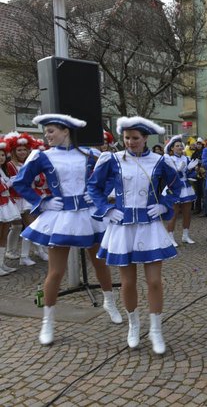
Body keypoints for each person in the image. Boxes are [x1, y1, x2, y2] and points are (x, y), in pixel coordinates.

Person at [13, 114, 123, 346]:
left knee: (100, 263)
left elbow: (115, 175)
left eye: (51, 130)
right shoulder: (42, 156)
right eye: (46, 131)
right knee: (56, 271)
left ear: (66, 131)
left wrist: (98, 194)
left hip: (89, 214)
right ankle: (48, 320)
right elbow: (20, 182)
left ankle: (109, 302)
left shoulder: (90, 154)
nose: (47, 135)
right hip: (60, 216)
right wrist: (41, 202)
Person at [88, 116, 181, 355]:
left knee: (154, 281)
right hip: (123, 227)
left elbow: (177, 187)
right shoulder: (112, 159)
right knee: (128, 282)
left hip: (150, 226)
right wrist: (107, 208)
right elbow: (93, 187)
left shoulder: (160, 161)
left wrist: (164, 205)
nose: (131, 142)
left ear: (145, 138)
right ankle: (133, 325)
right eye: (127, 138)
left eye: (135, 138)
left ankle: (156, 330)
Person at [5, 132, 48, 266]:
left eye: (24, 149)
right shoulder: (10, 165)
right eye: (19, 150)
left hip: (31, 197)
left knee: (32, 225)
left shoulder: (31, 163)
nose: (22, 152)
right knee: (24, 226)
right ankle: (21, 254)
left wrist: (37, 179)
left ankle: (37, 251)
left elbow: (39, 181)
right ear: (13, 151)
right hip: (18, 199)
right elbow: (12, 184)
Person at [163, 135, 199, 246]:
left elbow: (189, 174)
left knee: (187, 213)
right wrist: (177, 171)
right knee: (173, 214)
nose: (179, 147)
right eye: (177, 146)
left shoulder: (186, 158)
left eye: (181, 146)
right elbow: (168, 175)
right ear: (172, 148)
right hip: (174, 187)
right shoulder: (169, 159)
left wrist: (191, 170)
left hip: (186, 187)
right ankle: (170, 237)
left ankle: (185, 235)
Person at [0, 137, 22, 275]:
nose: (1, 157)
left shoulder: (3, 170)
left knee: (3, 234)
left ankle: (2, 264)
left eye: (2, 155)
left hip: (6, 203)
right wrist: (9, 184)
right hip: (1, 204)